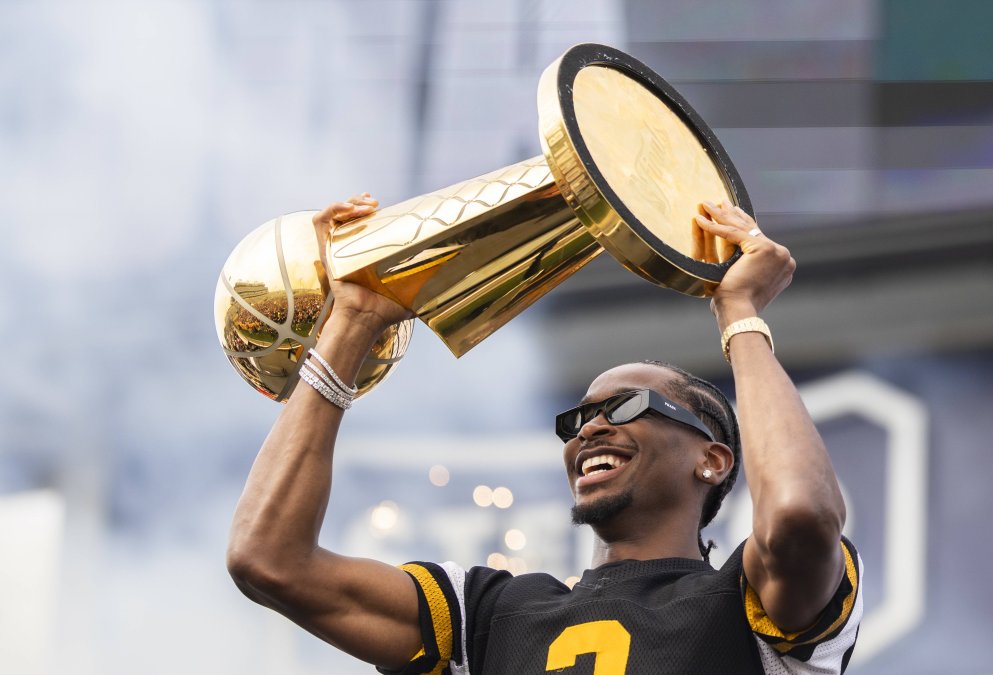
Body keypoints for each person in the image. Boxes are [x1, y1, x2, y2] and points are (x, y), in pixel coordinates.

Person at [226, 193, 863, 674]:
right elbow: (269, 561)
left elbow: (802, 516)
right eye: (578, 419)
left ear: (713, 460)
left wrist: (740, 313)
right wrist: (353, 322)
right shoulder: (488, 615)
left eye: (625, 406)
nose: (590, 430)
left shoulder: (750, 601)